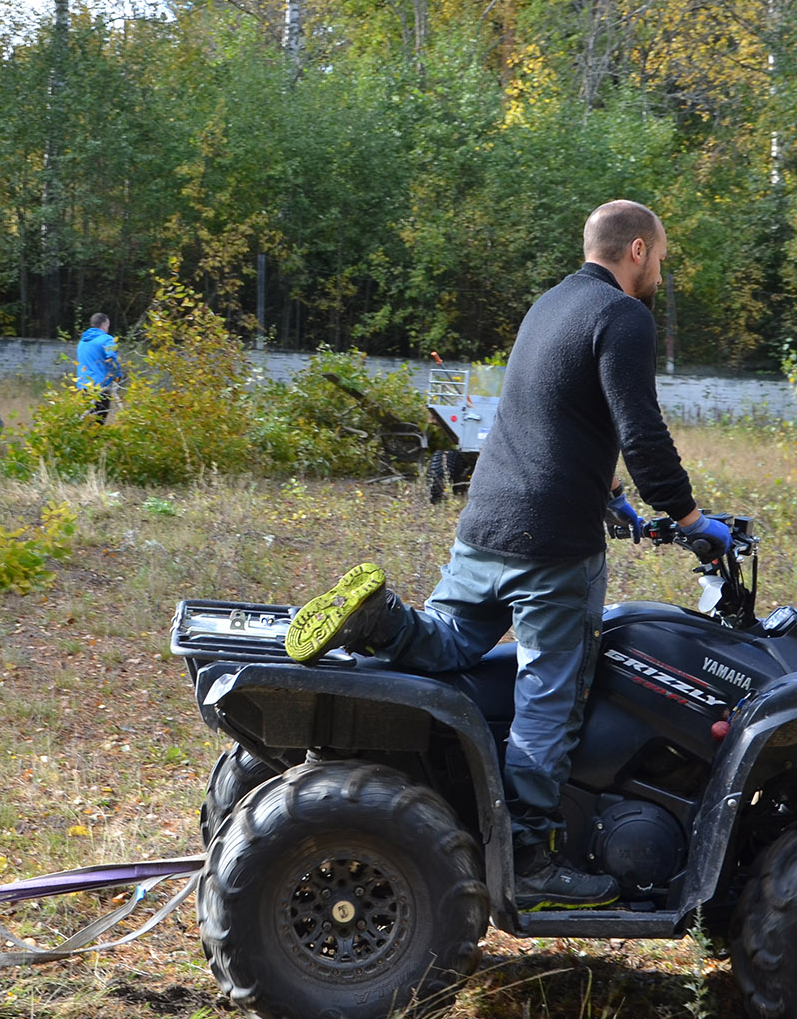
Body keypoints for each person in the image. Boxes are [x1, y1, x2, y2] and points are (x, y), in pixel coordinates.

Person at [283, 200, 736, 913]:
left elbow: (552, 412)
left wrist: (607, 492)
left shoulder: (550, 305)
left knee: (450, 638)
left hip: (487, 519)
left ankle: (380, 620)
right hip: (553, 545)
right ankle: (533, 856)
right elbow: (641, 431)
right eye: (663, 259)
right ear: (639, 250)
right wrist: (690, 518)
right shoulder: (624, 316)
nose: (660, 274)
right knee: (551, 694)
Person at [74, 312, 125, 422]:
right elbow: (112, 358)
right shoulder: (107, 339)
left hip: (83, 387)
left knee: (84, 422)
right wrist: (118, 376)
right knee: (97, 424)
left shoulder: (82, 342)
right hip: (100, 388)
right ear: (104, 325)